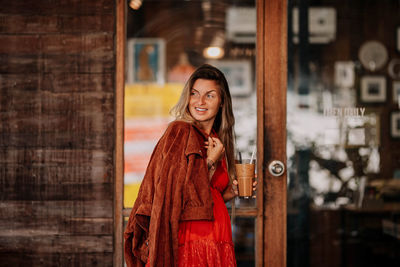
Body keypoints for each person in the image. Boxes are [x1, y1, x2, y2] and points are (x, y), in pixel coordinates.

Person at [124, 64, 255, 267]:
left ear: (221, 102)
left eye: (210, 95)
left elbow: (207, 195)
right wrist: (210, 161)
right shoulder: (180, 131)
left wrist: (232, 192)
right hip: (192, 239)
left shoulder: (215, 139)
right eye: (195, 94)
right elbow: (175, 191)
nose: (200, 102)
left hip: (217, 237)